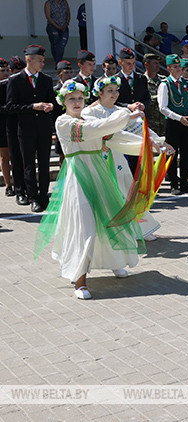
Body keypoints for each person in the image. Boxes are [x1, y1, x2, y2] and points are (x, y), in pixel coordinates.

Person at [36, 80, 145, 300]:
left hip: (98, 172)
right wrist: (125, 113)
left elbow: (116, 136)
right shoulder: (64, 122)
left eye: (79, 98)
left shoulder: (87, 118)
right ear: (63, 102)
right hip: (78, 176)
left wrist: (154, 143)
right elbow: (96, 129)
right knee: (84, 226)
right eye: (71, 99)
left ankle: (114, 261)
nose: (76, 102)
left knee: (109, 219)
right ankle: (80, 279)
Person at [82, 76, 171, 241]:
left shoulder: (121, 111)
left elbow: (138, 129)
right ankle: (104, 233)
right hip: (98, 158)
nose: (114, 94)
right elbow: (103, 132)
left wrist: (159, 142)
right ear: (99, 93)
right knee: (104, 195)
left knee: (127, 191)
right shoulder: (89, 112)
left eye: (116, 90)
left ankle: (140, 229)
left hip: (118, 157)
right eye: (109, 91)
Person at [5, 45, 56, 211]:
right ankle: (32, 197)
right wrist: (33, 106)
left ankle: (43, 196)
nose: (42, 63)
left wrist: (49, 106)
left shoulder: (46, 80)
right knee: (29, 165)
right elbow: (11, 106)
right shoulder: (15, 80)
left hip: (43, 128)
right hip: (25, 130)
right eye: (39, 61)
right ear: (29, 60)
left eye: (43, 60)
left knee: (44, 164)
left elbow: (53, 102)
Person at [158, 54, 188, 195]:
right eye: (175, 67)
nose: (178, 69)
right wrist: (179, 117)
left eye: (179, 66)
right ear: (168, 68)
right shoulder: (165, 84)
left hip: (187, 121)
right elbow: (163, 107)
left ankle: (185, 182)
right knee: (172, 154)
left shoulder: (187, 83)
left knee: (187, 152)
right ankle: (174, 183)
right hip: (173, 123)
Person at [1, 56, 27, 202]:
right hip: (5, 124)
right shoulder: (4, 85)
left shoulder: (21, 83)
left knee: (24, 157)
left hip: (21, 124)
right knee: (7, 156)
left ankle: (26, 185)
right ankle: (10, 185)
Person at [44, 0, 70, 65]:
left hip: (64, 26)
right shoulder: (48, 3)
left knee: (62, 45)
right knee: (55, 44)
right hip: (53, 27)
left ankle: (58, 62)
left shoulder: (64, 2)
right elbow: (48, 17)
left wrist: (65, 24)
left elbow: (68, 13)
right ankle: (58, 63)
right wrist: (57, 26)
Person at [142, 53, 165, 137]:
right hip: (150, 124)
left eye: (158, 63)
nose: (158, 65)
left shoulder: (163, 80)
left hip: (164, 124)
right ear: (146, 65)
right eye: (155, 63)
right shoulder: (141, 81)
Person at [0, 59, 13, 196]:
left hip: (14, 123)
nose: (5, 73)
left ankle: (20, 183)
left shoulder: (12, 84)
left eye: (7, 70)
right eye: (2, 71)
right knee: (4, 156)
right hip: (1, 124)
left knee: (18, 156)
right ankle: (8, 184)